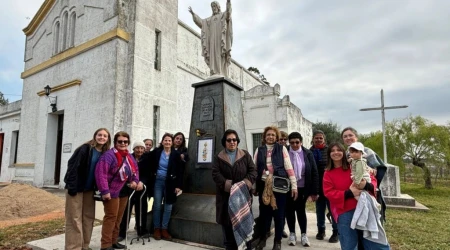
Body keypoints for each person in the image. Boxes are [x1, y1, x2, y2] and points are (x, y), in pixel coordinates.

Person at [323, 142, 390, 250]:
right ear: (329, 154)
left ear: (344, 152)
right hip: (344, 211)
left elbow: (372, 179)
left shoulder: (355, 164)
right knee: (349, 244)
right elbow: (328, 192)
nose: (336, 152)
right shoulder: (328, 173)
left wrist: (366, 185)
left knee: (374, 242)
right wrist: (349, 193)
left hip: (364, 208)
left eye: (339, 150)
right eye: (332, 151)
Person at [64, 128, 111, 250]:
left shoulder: (104, 153)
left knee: (88, 218)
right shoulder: (85, 149)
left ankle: (85, 245)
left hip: (90, 190)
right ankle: (73, 247)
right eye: (100, 135)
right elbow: (72, 167)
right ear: (95, 136)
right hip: (76, 188)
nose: (102, 137)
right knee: (74, 218)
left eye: (105, 136)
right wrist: (72, 187)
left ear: (107, 139)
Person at [95, 131, 143, 250]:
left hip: (124, 191)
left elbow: (135, 170)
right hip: (111, 192)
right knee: (111, 217)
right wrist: (105, 191)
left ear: (128, 143)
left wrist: (135, 181)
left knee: (118, 218)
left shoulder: (129, 156)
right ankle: (105, 245)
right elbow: (101, 174)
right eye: (120, 141)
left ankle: (114, 240)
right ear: (115, 142)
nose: (123, 143)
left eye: (125, 141)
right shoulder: (109, 155)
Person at [254, 126, 298, 250]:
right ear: (264, 137)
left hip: (279, 186)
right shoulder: (259, 150)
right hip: (264, 185)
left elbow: (289, 168)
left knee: (279, 215)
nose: (270, 137)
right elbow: (254, 168)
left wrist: (294, 186)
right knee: (264, 214)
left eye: (273, 135)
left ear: (276, 137)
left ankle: (277, 242)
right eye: (268, 134)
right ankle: (262, 239)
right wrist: (254, 186)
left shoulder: (282, 149)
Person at [212, 129, 257, 250]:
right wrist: (230, 187)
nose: (232, 142)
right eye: (229, 140)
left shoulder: (245, 155)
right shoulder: (218, 157)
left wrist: (243, 185)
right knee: (228, 235)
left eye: (234, 140)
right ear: (224, 142)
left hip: (243, 199)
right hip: (225, 200)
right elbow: (215, 174)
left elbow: (253, 171)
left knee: (245, 231)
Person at [341, 127, 387, 223]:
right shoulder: (345, 154)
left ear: (356, 137)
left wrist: (367, 182)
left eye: (350, 135)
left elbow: (376, 170)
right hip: (351, 190)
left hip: (366, 187)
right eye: (345, 136)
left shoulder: (367, 151)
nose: (348, 138)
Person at [285, 132, 319, 247]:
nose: (294, 145)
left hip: (303, 188)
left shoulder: (307, 153)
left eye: (297, 142)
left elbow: (314, 171)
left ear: (301, 142)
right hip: (288, 188)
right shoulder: (284, 152)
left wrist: (314, 191)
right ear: (289, 143)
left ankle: (304, 235)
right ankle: (292, 234)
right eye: (292, 142)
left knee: (300, 211)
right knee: (289, 211)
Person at [149, 133, 184, 241]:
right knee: (157, 205)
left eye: (169, 140)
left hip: (170, 183)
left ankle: (164, 229)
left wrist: (178, 185)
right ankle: (157, 228)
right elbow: (148, 163)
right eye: (166, 140)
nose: (167, 142)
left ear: (172, 142)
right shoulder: (156, 152)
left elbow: (180, 171)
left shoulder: (176, 154)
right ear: (162, 141)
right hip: (158, 182)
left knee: (168, 207)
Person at [188, 0, 233, 77]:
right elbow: (201, 23)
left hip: (220, 41)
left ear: (218, 7)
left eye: (215, 6)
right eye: (212, 7)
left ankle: (220, 71)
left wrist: (228, 2)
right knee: (213, 56)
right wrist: (193, 15)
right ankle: (213, 72)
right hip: (212, 42)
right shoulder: (209, 20)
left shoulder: (222, 15)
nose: (213, 8)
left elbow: (228, 13)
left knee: (220, 54)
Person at [118, 141, 151, 241]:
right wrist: (131, 182)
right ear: (133, 149)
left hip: (141, 188)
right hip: (129, 187)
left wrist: (142, 182)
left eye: (141, 148)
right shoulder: (128, 158)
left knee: (141, 210)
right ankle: (122, 233)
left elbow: (149, 173)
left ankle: (142, 231)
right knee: (126, 210)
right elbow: (124, 171)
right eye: (137, 148)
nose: (139, 150)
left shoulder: (147, 159)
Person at [310, 130, 339, 243]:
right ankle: (321, 230)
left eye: (320, 138)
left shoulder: (329, 150)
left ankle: (336, 232)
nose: (318, 140)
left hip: (330, 185)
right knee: (319, 210)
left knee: (333, 210)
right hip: (317, 186)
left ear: (324, 139)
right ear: (313, 139)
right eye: (316, 138)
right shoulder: (310, 151)